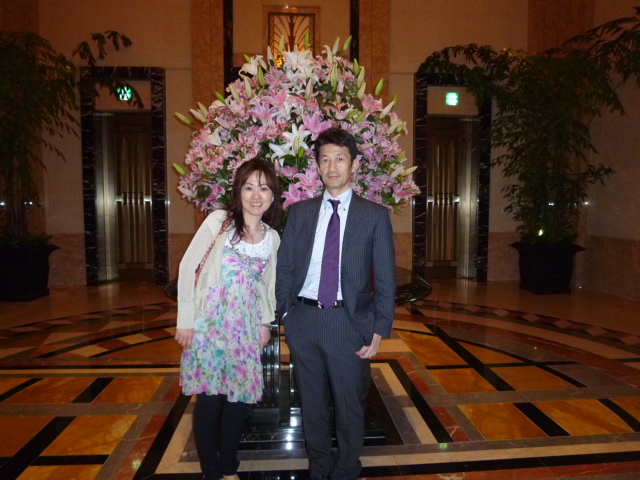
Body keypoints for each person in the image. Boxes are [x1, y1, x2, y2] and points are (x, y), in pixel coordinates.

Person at [276, 127, 396, 480]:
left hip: (348, 323)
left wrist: (379, 327)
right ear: (317, 166)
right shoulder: (300, 212)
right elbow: (285, 266)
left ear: (354, 165)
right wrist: (286, 314)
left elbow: (386, 277)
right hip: (304, 320)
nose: (332, 166)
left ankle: (346, 468)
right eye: (325, 159)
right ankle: (319, 467)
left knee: (349, 405)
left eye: (340, 159)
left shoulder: (374, 215)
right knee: (311, 405)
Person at [175, 158, 282, 480]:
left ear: (273, 195)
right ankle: (212, 471)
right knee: (210, 401)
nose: (256, 195)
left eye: (264, 188)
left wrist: (265, 323)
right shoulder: (220, 221)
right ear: (238, 191)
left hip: (244, 329)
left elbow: (267, 286)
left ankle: (228, 467)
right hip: (209, 325)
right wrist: (185, 320)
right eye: (249, 187)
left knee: (238, 403)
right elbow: (187, 267)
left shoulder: (272, 237)